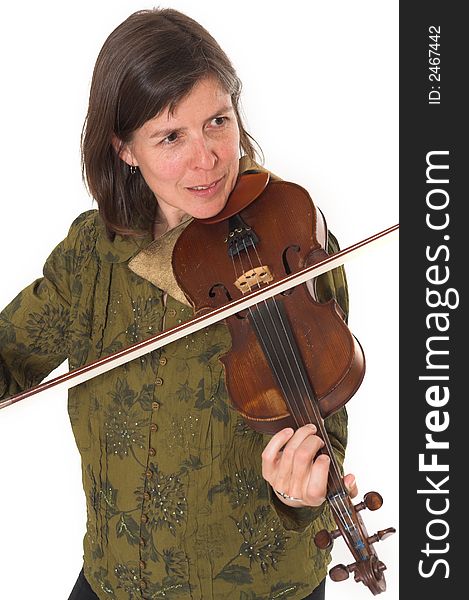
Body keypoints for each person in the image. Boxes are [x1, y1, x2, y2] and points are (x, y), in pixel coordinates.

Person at [0, 8, 357, 600]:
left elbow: (328, 419)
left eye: (217, 121)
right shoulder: (91, 256)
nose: (208, 157)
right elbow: (9, 355)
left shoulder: (292, 238)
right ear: (124, 149)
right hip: (116, 580)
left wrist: (301, 488)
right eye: (171, 136)